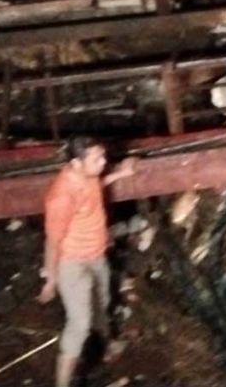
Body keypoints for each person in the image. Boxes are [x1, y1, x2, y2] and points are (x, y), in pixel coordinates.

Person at [39, 137, 138, 387]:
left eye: (103, 157)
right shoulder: (61, 195)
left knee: (102, 303)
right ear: (76, 162)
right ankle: (62, 383)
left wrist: (120, 174)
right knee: (80, 324)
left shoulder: (87, 174)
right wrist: (51, 279)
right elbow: (52, 241)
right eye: (97, 159)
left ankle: (108, 344)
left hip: (96, 254)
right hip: (72, 263)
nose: (104, 162)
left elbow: (96, 186)